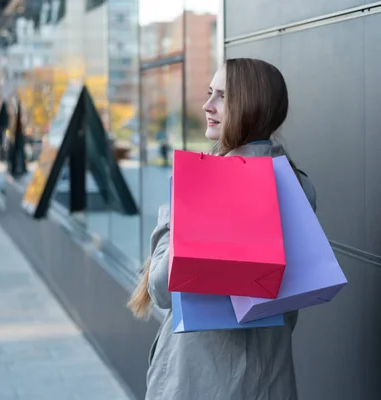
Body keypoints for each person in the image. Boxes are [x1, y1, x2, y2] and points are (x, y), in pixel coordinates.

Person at [128, 58, 318, 400]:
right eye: (209, 93)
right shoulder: (298, 184)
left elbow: (161, 289)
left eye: (222, 97)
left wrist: (174, 212)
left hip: (203, 382)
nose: (207, 105)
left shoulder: (212, 185)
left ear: (251, 106)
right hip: (271, 377)